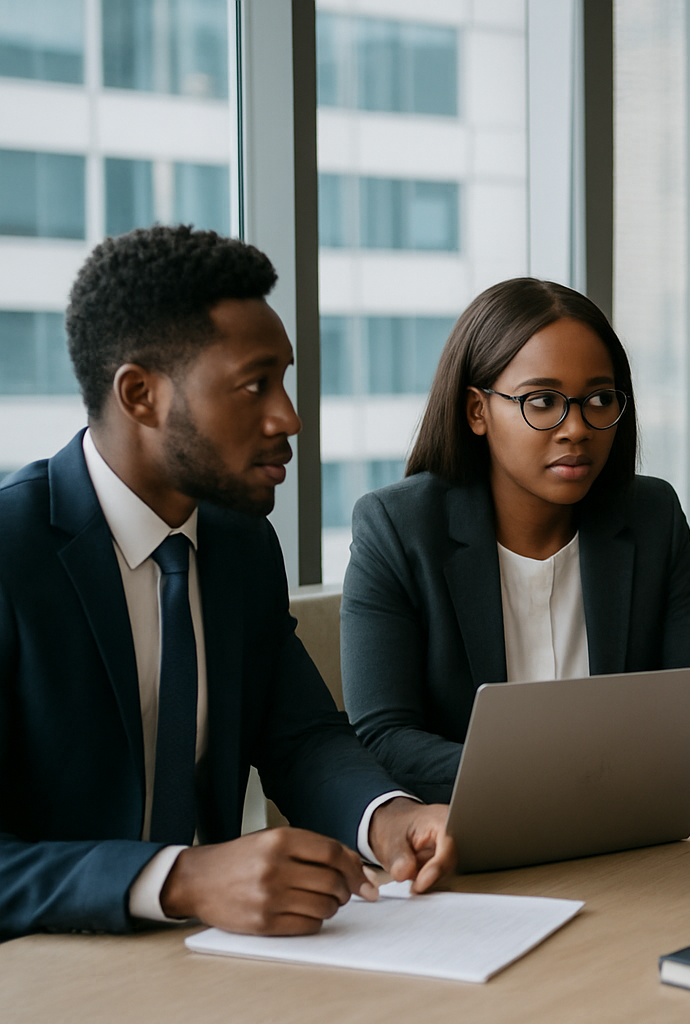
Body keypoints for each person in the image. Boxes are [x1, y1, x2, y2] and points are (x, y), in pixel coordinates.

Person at [0, 226, 454, 942]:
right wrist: (181, 878)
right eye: (254, 386)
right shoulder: (10, 551)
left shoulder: (240, 545)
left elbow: (300, 736)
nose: (289, 418)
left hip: (199, 963)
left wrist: (391, 816)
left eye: (286, 380)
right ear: (140, 394)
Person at [340, 278, 690, 803]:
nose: (576, 428)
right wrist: (561, 773)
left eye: (598, 398)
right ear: (477, 411)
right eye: (542, 401)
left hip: (629, 831)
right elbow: (383, 739)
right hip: (471, 836)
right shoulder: (397, 527)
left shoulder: (650, 516)